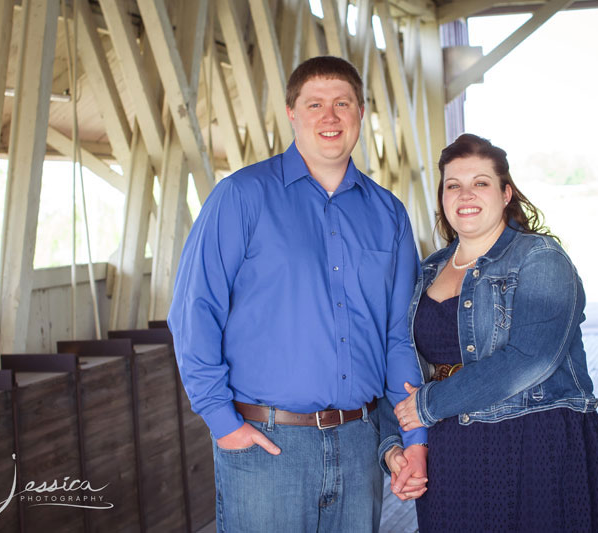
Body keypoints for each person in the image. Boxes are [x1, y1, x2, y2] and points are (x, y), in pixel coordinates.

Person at [167, 56, 427, 533]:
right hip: (268, 446)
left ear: (360, 113)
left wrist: (414, 435)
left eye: (341, 103)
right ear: (292, 113)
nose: (329, 117)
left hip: (359, 444)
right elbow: (193, 311)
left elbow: (399, 337)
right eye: (315, 104)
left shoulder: (389, 214)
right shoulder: (241, 197)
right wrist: (222, 422)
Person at [393, 133, 598, 532]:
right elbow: (401, 358)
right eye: (453, 185)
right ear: (442, 197)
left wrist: (429, 403)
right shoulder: (427, 269)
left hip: (534, 445)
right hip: (451, 453)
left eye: (480, 183)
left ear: (506, 193)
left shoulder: (540, 257)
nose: (466, 195)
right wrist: (396, 446)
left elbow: (530, 357)